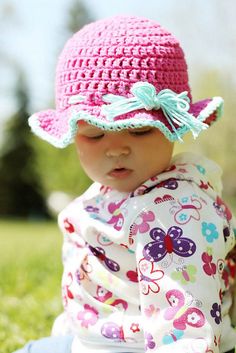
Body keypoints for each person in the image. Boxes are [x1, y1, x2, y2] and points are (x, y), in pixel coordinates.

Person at [14, 15, 236, 353]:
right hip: (97, 339)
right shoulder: (108, 195)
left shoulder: (175, 213)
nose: (116, 148)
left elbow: (185, 325)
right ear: (74, 135)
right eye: (94, 135)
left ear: (173, 126)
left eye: (140, 130)